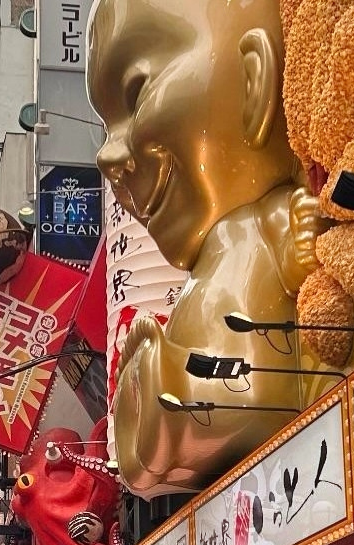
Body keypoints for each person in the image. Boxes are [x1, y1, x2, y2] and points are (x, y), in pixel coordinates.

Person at [86, 0, 309, 496]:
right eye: (105, 126)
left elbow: (294, 252)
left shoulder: (263, 221)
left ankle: (175, 414)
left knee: (211, 397)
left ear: (255, 79)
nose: (105, 156)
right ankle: (167, 417)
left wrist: (298, 244)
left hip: (247, 388)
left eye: (137, 91)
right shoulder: (210, 263)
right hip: (213, 394)